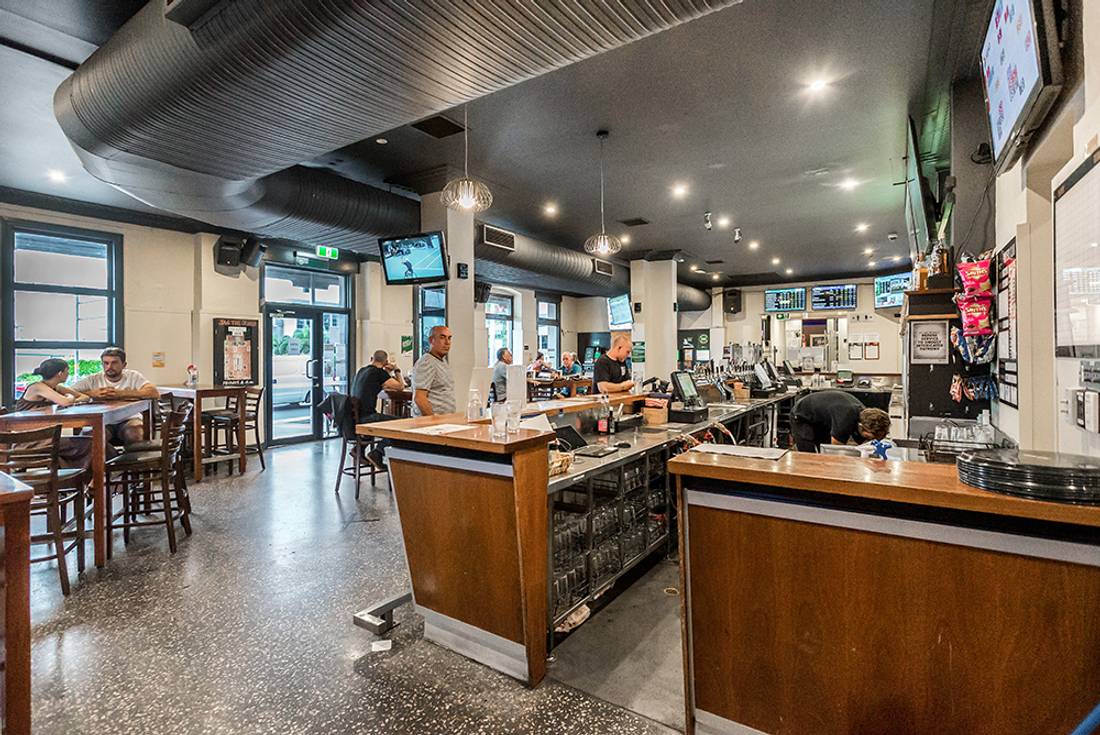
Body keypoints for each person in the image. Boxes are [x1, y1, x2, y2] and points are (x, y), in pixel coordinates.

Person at [72, 347, 160, 445]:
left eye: (114, 363)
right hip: (101, 421)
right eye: (106, 363)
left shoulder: (133, 376)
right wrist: (92, 394)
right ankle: (109, 454)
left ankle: (133, 455)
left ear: (124, 365)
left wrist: (121, 394)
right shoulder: (93, 379)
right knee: (90, 437)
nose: (109, 367)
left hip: (129, 418)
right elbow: (68, 393)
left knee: (135, 434)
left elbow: (153, 393)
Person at [14, 358, 92, 468]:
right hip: (28, 440)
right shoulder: (37, 387)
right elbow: (65, 402)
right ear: (60, 373)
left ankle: (81, 475)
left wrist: (71, 399)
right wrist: (70, 397)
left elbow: (85, 397)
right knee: (88, 443)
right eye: (67, 371)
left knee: (89, 442)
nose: (68, 374)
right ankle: (85, 475)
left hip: (45, 436)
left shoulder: (55, 387)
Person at [349, 350, 404, 470]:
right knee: (401, 424)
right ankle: (378, 452)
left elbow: (383, 384)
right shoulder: (379, 372)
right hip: (368, 418)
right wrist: (396, 370)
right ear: (386, 362)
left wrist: (386, 372)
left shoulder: (362, 371)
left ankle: (358, 449)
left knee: (386, 420)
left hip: (355, 418)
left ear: (371, 359)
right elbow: (400, 387)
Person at [789, 389, 891, 452]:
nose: (872, 441)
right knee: (808, 455)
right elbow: (836, 450)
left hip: (822, 418)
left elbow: (861, 443)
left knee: (823, 450)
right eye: (870, 437)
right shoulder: (846, 418)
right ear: (861, 426)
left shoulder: (864, 415)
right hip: (802, 415)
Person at [411, 325, 456, 417]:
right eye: (442, 337)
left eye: (449, 338)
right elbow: (420, 398)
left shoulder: (442, 361)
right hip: (432, 422)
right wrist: (433, 420)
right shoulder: (427, 362)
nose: (447, 342)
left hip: (445, 419)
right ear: (431, 340)